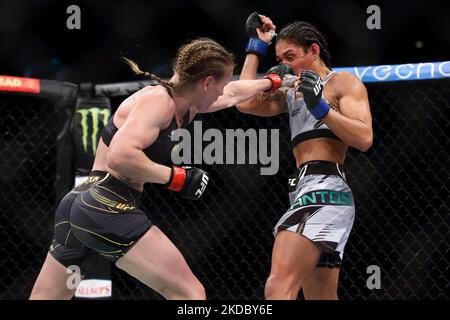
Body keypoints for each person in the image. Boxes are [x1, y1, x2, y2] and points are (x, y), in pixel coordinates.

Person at [30, 37, 288, 300]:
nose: (222, 92)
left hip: (82, 204)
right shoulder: (158, 101)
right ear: (207, 82)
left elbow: (233, 93)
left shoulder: (187, 105)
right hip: (106, 203)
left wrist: (273, 81)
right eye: (219, 85)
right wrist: (176, 177)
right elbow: (120, 155)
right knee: (190, 293)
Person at [237, 14, 373, 300]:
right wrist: (256, 46)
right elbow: (245, 101)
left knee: (278, 288)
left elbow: (363, 138)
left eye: (291, 56)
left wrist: (320, 107)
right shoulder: (290, 91)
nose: (286, 65)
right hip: (302, 188)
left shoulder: (342, 82)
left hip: (325, 189)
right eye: (280, 58)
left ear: (313, 51)